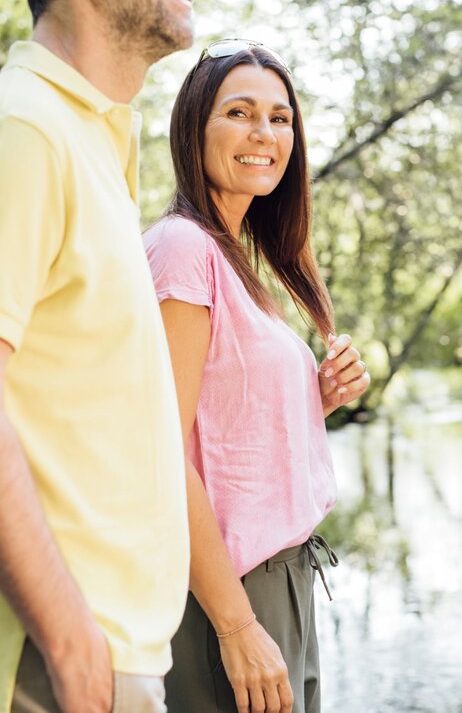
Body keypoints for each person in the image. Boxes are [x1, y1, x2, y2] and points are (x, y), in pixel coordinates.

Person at [0, 0, 212, 711]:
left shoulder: (95, 139)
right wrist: (69, 640)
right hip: (60, 660)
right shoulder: (25, 128)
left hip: (113, 654)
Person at [143, 38, 371, 713]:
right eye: (239, 112)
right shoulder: (183, 251)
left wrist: (311, 401)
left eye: (279, 118)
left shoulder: (236, 258)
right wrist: (237, 623)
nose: (264, 134)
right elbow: (159, 451)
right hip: (227, 590)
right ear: (194, 129)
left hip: (283, 577)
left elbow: (220, 429)